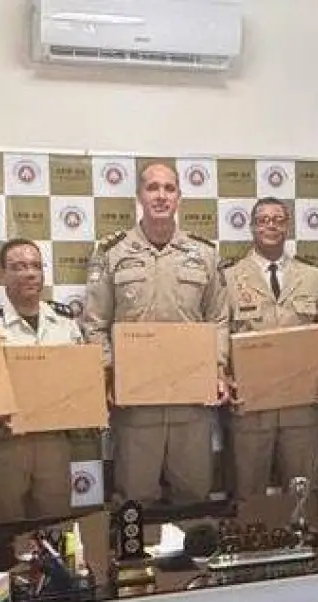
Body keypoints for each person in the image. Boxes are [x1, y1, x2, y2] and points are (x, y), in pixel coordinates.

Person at [84, 163, 230, 504]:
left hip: (191, 403)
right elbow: (95, 323)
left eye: (169, 188)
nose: (161, 195)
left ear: (179, 197)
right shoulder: (111, 252)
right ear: (139, 196)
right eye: (152, 188)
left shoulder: (204, 253)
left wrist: (218, 368)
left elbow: (219, 319)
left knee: (194, 497)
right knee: (135, 501)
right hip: (136, 405)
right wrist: (109, 373)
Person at [224, 196, 318, 498]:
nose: (271, 225)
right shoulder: (229, 277)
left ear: (288, 227)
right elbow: (219, 332)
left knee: (303, 495)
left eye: (278, 220)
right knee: (248, 495)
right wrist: (224, 375)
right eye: (263, 220)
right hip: (250, 406)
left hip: (302, 406)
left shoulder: (312, 277)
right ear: (252, 227)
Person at [0, 238, 84, 520]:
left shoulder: (65, 322)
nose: (30, 273)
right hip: (3, 442)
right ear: (2, 274)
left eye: (36, 266)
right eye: (19, 267)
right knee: (3, 528)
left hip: (53, 442)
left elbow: (81, 380)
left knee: (55, 524)